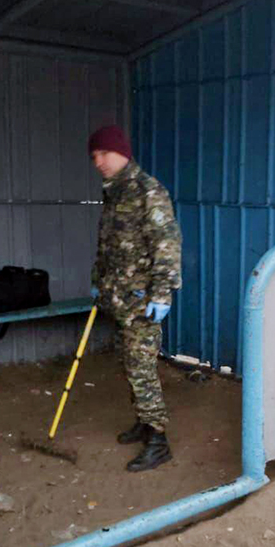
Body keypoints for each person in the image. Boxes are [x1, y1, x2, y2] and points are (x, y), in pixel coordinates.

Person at [88, 125, 182, 473]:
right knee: (129, 364)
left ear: (121, 152)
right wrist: (98, 280)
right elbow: (106, 245)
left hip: (144, 301)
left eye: (103, 154)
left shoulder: (148, 191)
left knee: (142, 368)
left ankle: (158, 440)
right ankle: (144, 421)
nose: (98, 162)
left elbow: (167, 245)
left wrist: (162, 293)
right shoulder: (114, 193)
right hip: (120, 299)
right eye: (93, 156)